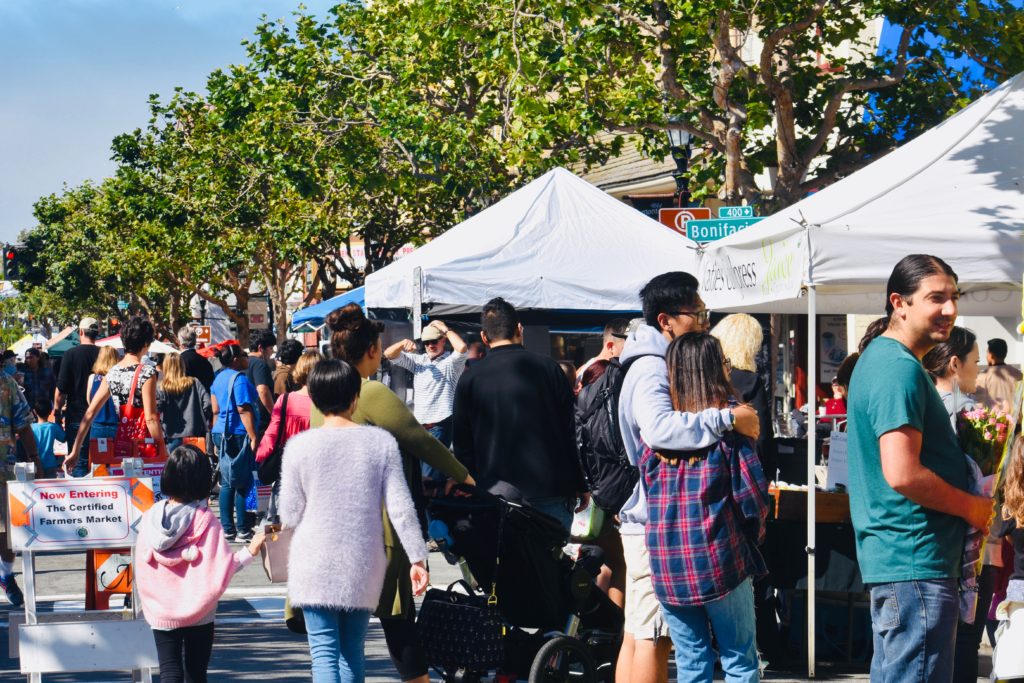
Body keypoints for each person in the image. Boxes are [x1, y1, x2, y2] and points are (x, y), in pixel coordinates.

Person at [848, 254, 994, 683]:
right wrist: (971, 508)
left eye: (954, 297)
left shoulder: (889, 361)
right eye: (936, 298)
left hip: (907, 566)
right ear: (900, 302)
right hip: (915, 564)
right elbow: (902, 473)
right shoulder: (898, 369)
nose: (949, 309)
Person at [617, 273, 760, 683]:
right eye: (697, 314)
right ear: (666, 320)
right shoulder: (652, 371)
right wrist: (728, 416)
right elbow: (660, 428)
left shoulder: (652, 451)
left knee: (686, 655)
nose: (702, 321)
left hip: (665, 546)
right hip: (712, 549)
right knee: (727, 655)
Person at [323, 303, 474, 683]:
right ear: (372, 350)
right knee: (398, 617)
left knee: (338, 642)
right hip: (380, 525)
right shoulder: (369, 392)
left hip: (332, 528)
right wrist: (466, 477)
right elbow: (420, 440)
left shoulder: (321, 396)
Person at [281, 359, 429, 682]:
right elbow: (401, 507)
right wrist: (417, 558)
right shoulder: (381, 444)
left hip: (314, 561)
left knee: (323, 653)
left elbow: (289, 513)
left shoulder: (299, 448)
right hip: (362, 562)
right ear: (355, 399)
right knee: (352, 651)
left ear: (315, 399)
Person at [644, 332, 768, 683]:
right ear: (717, 369)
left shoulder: (656, 436)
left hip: (668, 564)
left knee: (691, 661)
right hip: (720, 558)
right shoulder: (731, 428)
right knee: (739, 660)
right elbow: (752, 499)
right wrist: (754, 536)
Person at [453, 297, 587, 531]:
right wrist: (580, 482)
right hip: (550, 489)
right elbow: (570, 431)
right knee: (550, 565)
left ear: (484, 338)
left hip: (494, 492)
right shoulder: (549, 369)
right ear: (519, 329)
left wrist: (471, 489)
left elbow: (463, 444)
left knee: (504, 566)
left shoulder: (470, 379)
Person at [136, 444, 265, 683]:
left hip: (161, 609)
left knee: (169, 670)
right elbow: (221, 569)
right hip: (200, 612)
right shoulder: (205, 520)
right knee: (196, 673)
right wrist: (250, 551)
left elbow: (142, 567)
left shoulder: (150, 518)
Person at [923, 327, 998, 683]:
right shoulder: (968, 414)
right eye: (975, 362)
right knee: (965, 640)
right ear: (955, 363)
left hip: (933, 540)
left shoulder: (923, 407)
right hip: (969, 539)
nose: (979, 371)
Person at [710, 312, 783, 663]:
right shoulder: (749, 381)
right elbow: (762, 439)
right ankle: (757, 644)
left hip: (708, 486)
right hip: (743, 485)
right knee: (751, 565)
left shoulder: (704, 380)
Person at [66, 317, 167, 476]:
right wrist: (162, 450)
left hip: (122, 442)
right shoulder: (147, 373)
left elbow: (90, 413)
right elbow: (151, 418)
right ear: (146, 344)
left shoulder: (112, 373)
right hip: (144, 446)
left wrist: (75, 450)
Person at [257, 350, 322, 523]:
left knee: (277, 520)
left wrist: (261, 454)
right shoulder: (325, 403)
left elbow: (272, 433)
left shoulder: (285, 400)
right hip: (315, 469)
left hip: (286, 466)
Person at [383, 320, 467, 448]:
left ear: (443, 341)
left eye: (434, 341)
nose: (430, 345)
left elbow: (461, 348)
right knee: (424, 468)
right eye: (426, 342)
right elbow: (388, 354)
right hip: (420, 427)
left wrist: (445, 329)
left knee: (430, 468)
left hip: (440, 424)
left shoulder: (451, 362)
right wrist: (402, 343)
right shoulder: (420, 360)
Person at [210, 343, 259, 543]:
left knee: (227, 481)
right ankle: (243, 529)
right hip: (238, 433)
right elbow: (243, 409)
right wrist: (254, 436)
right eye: (244, 354)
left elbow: (215, 410)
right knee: (243, 481)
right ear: (236, 359)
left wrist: (214, 437)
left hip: (220, 431)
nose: (247, 357)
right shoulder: (239, 379)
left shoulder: (218, 378)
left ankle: (227, 529)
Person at [0, 369, 40, 606]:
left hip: (3, 469)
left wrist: (35, 457)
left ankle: (5, 574)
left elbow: (24, 424)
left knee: (7, 532)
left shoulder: (6, 382)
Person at [54, 317, 101, 477]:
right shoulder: (106, 354)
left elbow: (61, 390)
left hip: (76, 416)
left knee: (78, 462)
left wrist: (57, 412)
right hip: (103, 417)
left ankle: (81, 500)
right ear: (97, 333)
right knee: (102, 462)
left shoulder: (70, 354)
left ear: (80, 332)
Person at [157, 353, 213, 454]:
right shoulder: (195, 382)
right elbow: (208, 403)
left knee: (176, 466)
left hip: (173, 434)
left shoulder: (162, 387)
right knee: (195, 465)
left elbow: (157, 408)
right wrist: (201, 418)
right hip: (194, 433)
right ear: (182, 365)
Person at [576, 318, 629, 390]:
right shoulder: (593, 375)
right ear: (611, 347)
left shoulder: (586, 370)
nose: (632, 352)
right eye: (627, 348)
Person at [975, 338, 1022, 413]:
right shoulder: (1019, 375)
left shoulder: (982, 377)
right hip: (1015, 421)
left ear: (991, 355)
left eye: (987, 353)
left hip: (991, 422)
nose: (986, 356)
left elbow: (978, 405)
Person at [246, 329, 277, 439]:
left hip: (246, 421)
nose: (272, 352)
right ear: (260, 348)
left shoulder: (242, 362)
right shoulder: (260, 364)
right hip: (261, 423)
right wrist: (274, 414)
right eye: (270, 348)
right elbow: (263, 390)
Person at [87, 346, 120, 440]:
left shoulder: (92, 378)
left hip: (97, 423)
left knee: (97, 454)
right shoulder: (119, 378)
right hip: (116, 424)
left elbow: (90, 402)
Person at [31, 398, 66, 478]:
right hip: (50, 464)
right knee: (49, 487)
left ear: (34, 412)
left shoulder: (31, 428)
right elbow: (63, 439)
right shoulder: (53, 427)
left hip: (34, 464)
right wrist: (59, 422)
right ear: (51, 412)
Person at [178, 325, 215, 392]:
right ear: (195, 341)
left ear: (180, 342)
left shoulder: (177, 361)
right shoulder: (205, 362)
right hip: (203, 400)